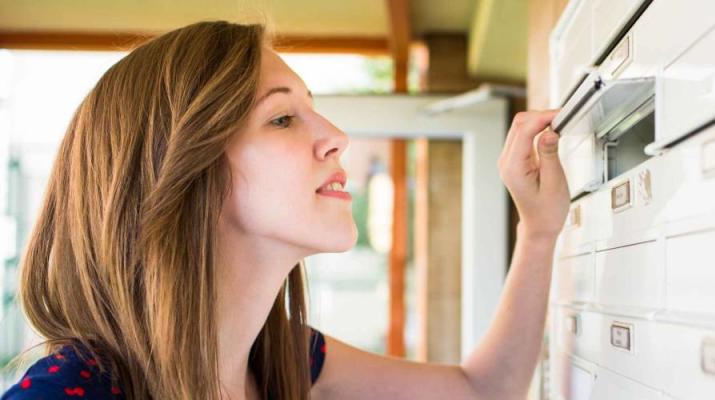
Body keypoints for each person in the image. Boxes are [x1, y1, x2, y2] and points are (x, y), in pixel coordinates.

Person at [0, 20, 569, 399]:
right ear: (180, 169)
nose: (336, 137)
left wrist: (539, 231)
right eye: (281, 118)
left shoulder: (286, 359)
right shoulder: (68, 392)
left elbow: (482, 390)